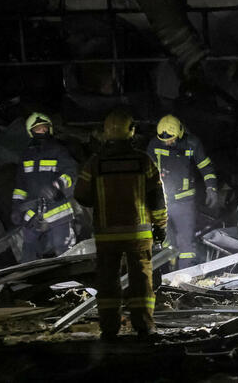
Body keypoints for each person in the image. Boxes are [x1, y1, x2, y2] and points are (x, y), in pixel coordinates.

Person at [75, 109, 168, 341]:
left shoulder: (94, 164)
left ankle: (109, 328)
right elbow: (156, 196)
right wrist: (160, 224)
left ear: (106, 134)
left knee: (107, 282)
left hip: (107, 235)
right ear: (132, 132)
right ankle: (144, 326)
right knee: (141, 282)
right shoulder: (143, 161)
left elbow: (82, 196)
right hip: (138, 234)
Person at [146, 114, 217, 268]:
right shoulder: (154, 144)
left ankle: (184, 279)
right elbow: (146, 170)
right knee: (164, 242)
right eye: (164, 140)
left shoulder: (192, 143)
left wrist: (211, 187)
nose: (167, 142)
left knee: (186, 244)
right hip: (161, 202)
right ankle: (165, 279)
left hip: (184, 202)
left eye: (170, 139)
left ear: (179, 133)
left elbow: (205, 166)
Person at [11, 112, 77, 261]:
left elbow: (71, 173)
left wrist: (57, 187)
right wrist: (17, 207)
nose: (42, 132)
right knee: (29, 249)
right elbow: (20, 186)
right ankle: (27, 281)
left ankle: (69, 280)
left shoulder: (58, 150)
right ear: (31, 132)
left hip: (57, 209)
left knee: (63, 248)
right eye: (37, 129)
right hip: (33, 212)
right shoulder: (26, 155)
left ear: (50, 129)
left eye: (44, 128)